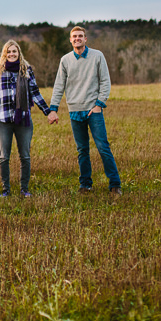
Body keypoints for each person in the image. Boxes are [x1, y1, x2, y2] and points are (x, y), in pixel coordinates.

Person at [48, 26, 122, 195]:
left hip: (93, 110)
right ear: (70, 40)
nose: (77, 39)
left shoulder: (97, 56)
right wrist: (53, 109)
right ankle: (86, 184)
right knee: (82, 150)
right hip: (75, 110)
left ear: (85, 39)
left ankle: (115, 184)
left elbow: (105, 82)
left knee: (103, 147)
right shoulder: (65, 60)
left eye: (80, 36)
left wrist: (99, 105)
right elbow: (59, 86)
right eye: (74, 36)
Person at [0, 40, 50, 198]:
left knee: (25, 156)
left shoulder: (26, 71)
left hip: (23, 120)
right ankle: (6, 190)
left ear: (19, 53)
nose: (11, 54)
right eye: (8, 52)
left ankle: (24, 189)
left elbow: (35, 94)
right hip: (3, 121)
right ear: (4, 54)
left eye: (14, 52)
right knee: (4, 157)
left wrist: (48, 111)